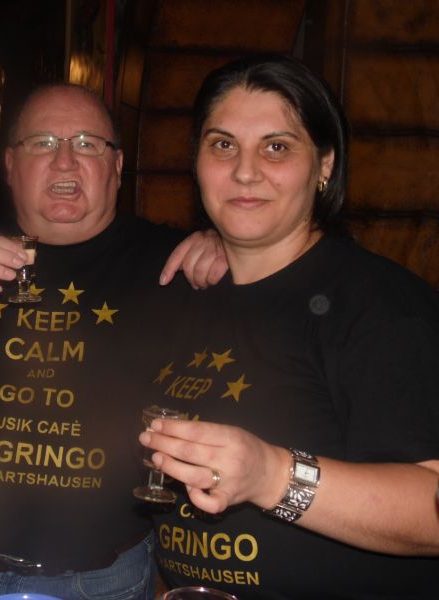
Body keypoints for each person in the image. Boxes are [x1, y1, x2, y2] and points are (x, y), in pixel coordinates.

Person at [0, 83, 226, 599]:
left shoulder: (174, 261)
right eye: (43, 143)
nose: (66, 161)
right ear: (11, 165)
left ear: (117, 166)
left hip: (104, 579)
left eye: (88, 144)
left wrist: (229, 244)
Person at [139, 53, 439, 598]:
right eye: (222, 144)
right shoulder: (186, 292)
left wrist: (273, 476)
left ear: (325, 165)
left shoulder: (383, 307)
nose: (244, 171)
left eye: (276, 147)